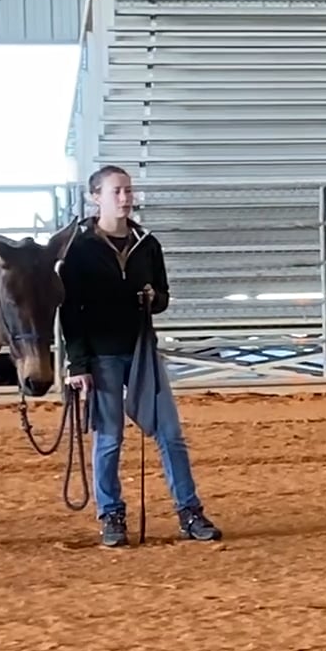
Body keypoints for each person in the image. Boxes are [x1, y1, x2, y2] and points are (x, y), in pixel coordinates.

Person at [60, 165, 223, 548]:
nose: (125, 197)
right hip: (102, 355)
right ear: (95, 196)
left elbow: (163, 296)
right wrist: (77, 363)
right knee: (109, 438)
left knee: (170, 434)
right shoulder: (79, 250)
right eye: (117, 191)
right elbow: (70, 311)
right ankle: (111, 515)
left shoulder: (148, 243)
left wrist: (154, 298)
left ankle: (189, 511)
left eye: (128, 191)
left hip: (141, 351)